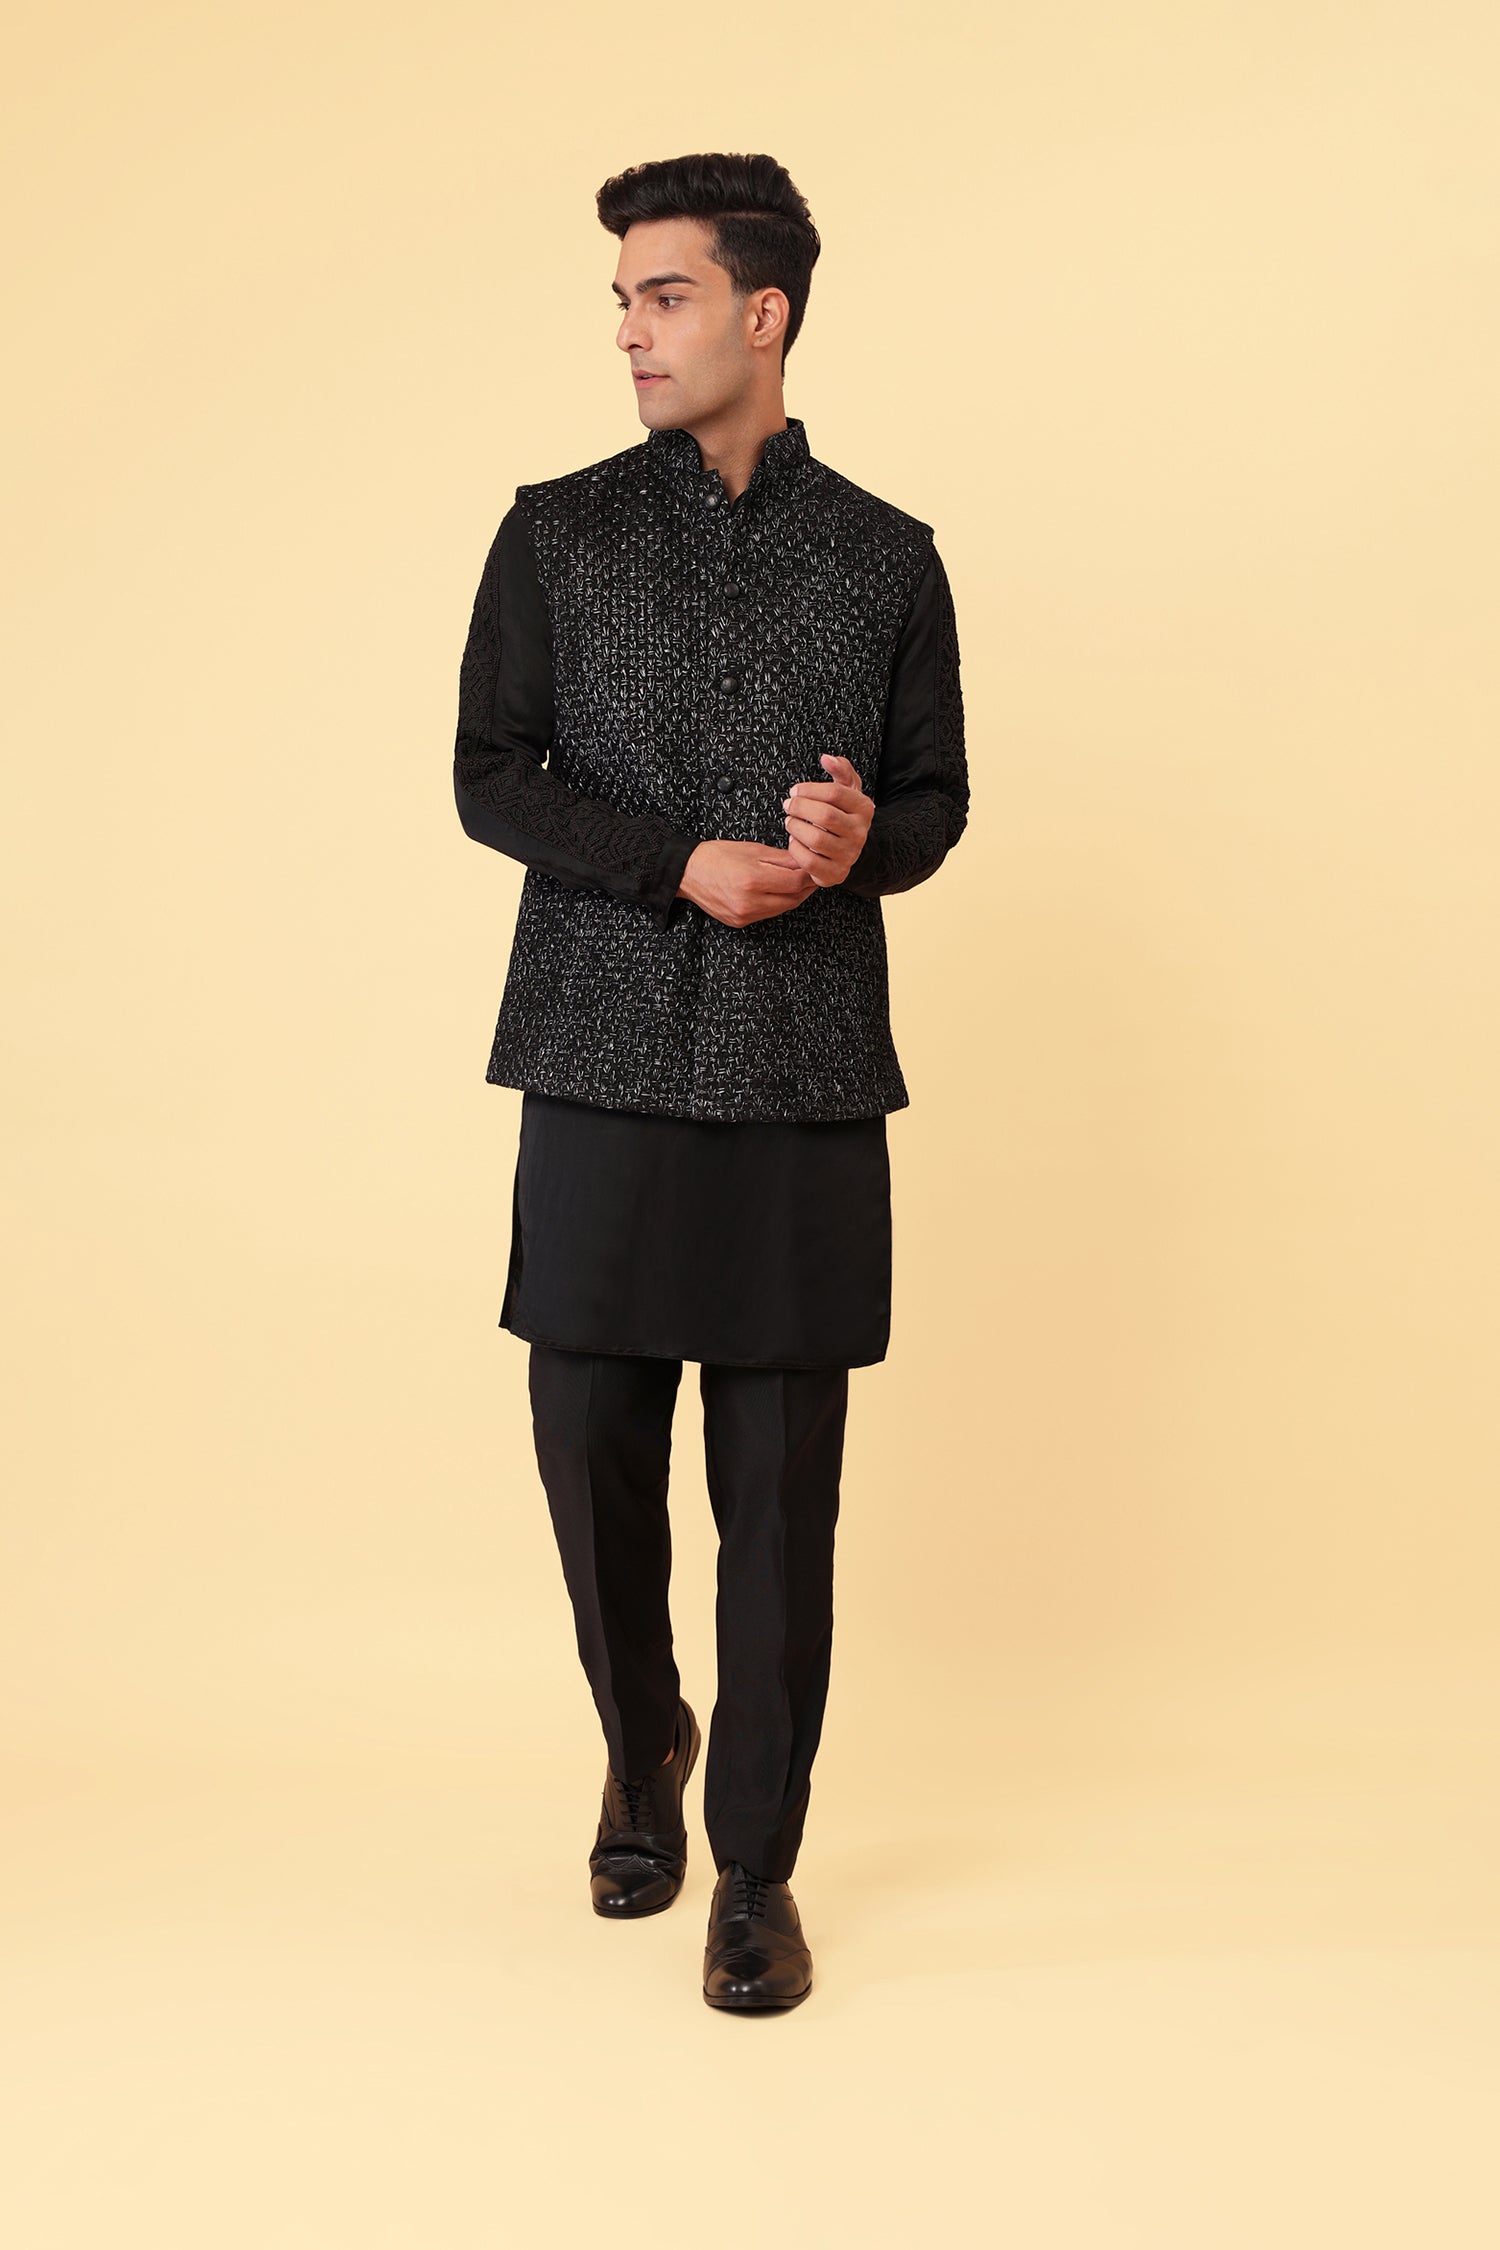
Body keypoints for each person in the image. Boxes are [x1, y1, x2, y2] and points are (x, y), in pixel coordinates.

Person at [452, 150, 968, 2011]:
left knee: (780, 1491)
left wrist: (855, 844)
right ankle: (641, 1736)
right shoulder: (557, 533)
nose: (632, 331)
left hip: (803, 1072)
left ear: (765, 310)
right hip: (595, 1049)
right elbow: (490, 774)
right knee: (591, 1442)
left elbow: (934, 803)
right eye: (622, 300)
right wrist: (678, 859)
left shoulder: (888, 556)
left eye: (663, 295)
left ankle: (755, 1865)